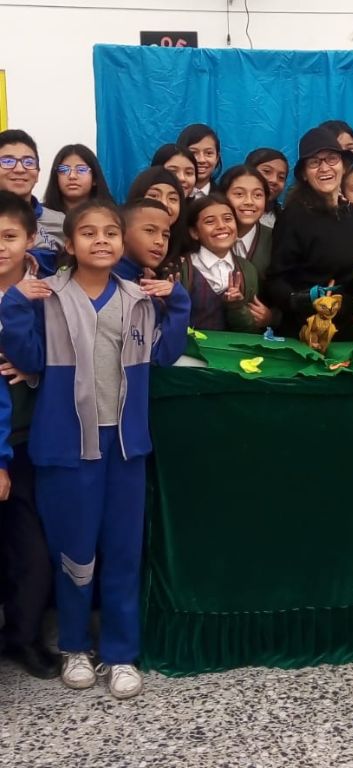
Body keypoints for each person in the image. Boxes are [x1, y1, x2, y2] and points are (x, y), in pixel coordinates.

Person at [0, 199, 190, 698]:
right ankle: (75, 646)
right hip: (66, 447)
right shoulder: (47, 296)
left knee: (123, 552)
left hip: (124, 448)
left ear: (122, 243)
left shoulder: (139, 297)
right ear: (69, 244)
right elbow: (26, 355)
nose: (101, 240)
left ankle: (121, 653)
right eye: (88, 232)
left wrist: (179, 301)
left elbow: (166, 353)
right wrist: (16, 302)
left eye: (110, 232)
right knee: (74, 553)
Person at [0, 191, 58, 680]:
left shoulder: (47, 293)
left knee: (32, 548)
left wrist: (34, 372)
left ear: (32, 240)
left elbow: (68, 357)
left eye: (10, 237)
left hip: (28, 438)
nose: (0, 247)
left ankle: (25, 635)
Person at [266, 126, 353, 340]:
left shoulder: (352, 213)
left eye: (331, 159)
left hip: (348, 329)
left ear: (343, 165)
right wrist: (303, 300)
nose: (324, 168)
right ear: (304, 174)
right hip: (306, 331)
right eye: (314, 163)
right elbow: (275, 279)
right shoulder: (294, 216)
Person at [183, 194, 267, 332]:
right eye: (210, 222)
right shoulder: (182, 268)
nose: (221, 226)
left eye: (228, 219)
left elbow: (250, 329)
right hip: (188, 351)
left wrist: (237, 307)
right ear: (194, 232)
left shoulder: (247, 271)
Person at [0, 129, 64, 276]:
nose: (20, 169)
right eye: (8, 161)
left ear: (37, 174)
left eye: (28, 162)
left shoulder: (60, 222)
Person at [219, 164, 273, 282]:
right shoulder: (208, 236)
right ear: (222, 196)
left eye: (257, 195)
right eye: (239, 194)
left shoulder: (276, 239)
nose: (249, 201)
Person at [126, 167, 187, 270]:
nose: (163, 204)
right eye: (154, 195)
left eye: (172, 199)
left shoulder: (185, 264)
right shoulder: (112, 267)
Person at [42, 144, 114, 213]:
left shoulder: (111, 216)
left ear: (94, 178)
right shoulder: (40, 216)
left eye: (81, 169)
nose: (72, 176)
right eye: (64, 169)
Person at [113, 198, 172, 283]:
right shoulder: (107, 279)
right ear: (122, 232)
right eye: (150, 230)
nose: (160, 242)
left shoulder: (144, 279)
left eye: (165, 235)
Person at [244, 147, 289, 228]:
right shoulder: (226, 212)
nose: (274, 180)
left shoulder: (283, 220)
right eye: (267, 171)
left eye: (281, 177)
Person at [177, 123, 222, 196]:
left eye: (208, 153)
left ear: (217, 158)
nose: (201, 160)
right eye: (194, 153)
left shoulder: (224, 199)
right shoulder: (170, 197)